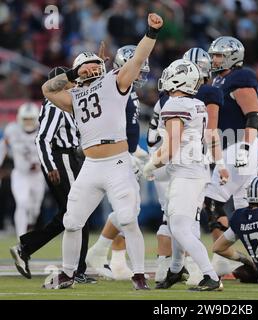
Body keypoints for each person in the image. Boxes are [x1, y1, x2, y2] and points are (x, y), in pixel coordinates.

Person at [41, 13, 163, 290]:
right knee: (72, 222)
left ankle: (139, 275)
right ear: (77, 72)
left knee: (128, 219)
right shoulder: (72, 97)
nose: (93, 69)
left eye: (96, 64)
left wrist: (151, 32)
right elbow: (47, 89)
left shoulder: (114, 82)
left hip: (117, 162)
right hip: (91, 166)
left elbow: (138, 59)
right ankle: (68, 274)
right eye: (87, 67)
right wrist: (73, 75)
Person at [149, 48, 229, 285]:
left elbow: (171, 146)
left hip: (186, 171)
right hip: (193, 169)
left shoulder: (177, 104)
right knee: (177, 222)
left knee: (181, 226)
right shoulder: (196, 104)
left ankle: (210, 275)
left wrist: (151, 164)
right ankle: (175, 269)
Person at [9, 67, 95, 284]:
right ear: (59, 83)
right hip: (61, 159)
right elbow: (43, 138)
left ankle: (27, 247)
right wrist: (49, 165)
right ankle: (76, 269)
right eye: (70, 80)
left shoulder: (66, 102)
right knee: (77, 212)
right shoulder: (55, 105)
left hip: (69, 158)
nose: (74, 83)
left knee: (73, 213)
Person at [85, 44, 151, 281]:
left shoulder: (128, 87)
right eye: (138, 68)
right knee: (128, 211)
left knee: (129, 211)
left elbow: (129, 126)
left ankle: (115, 259)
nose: (142, 73)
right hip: (114, 155)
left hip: (126, 152)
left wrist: (138, 152)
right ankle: (100, 253)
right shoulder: (114, 85)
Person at [203, 36, 258, 276]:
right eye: (213, 55)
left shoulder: (240, 77)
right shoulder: (218, 80)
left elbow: (253, 116)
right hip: (231, 147)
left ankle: (222, 259)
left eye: (218, 55)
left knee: (211, 201)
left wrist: (246, 147)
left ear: (232, 56)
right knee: (246, 209)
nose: (214, 59)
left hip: (240, 145)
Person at [0, 102, 45, 239]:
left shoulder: (43, 129)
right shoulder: (12, 130)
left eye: (31, 119)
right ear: (20, 118)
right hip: (20, 174)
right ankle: (22, 238)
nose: (28, 122)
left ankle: (30, 225)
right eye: (25, 119)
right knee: (22, 203)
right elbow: (3, 146)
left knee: (35, 209)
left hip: (38, 175)